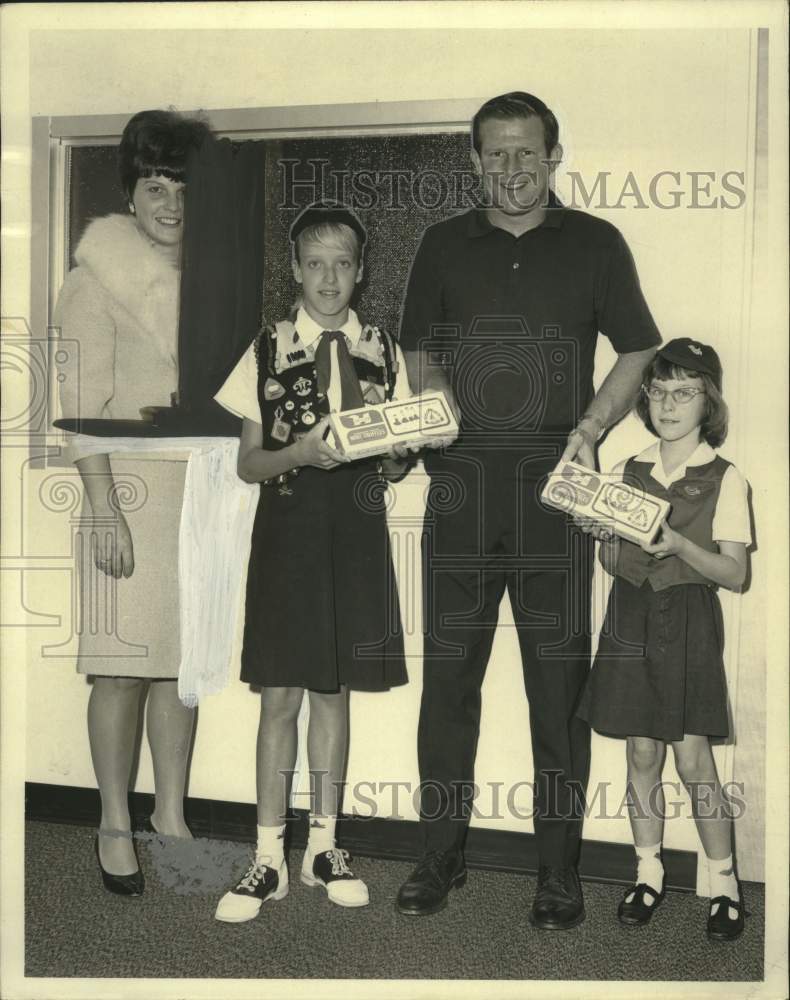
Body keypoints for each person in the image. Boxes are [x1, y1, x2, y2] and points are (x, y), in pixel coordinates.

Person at [396, 91, 661, 929]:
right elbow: (418, 346)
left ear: (553, 155)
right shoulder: (442, 244)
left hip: (555, 494)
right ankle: (440, 858)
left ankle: (558, 873)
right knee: (449, 688)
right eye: (495, 154)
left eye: (526, 153)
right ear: (475, 159)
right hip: (462, 491)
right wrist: (432, 405)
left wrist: (590, 429)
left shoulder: (596, 242)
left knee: (558, 690)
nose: (511, 169)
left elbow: (641, 347)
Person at [213, 201, 410, 922]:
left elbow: (393, 466)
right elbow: (247, 464)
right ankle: (267, 856)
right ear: (295, 269)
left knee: (335, 693)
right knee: (282, 697)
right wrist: (297, 451)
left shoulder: (383, 349)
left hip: (354, 537)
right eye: (315, 263)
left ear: (360, 273)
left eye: (343, 264)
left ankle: (323, 846)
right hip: (290, 537)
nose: (329, 277)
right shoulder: (264, 349)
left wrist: (397, 457)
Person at [55, 109, 211, 894]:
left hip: (197, 495)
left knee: (179, 668)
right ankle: (115, 820)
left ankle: (171, 815)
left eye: (183, 183)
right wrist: (104, 508)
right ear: (132, 190)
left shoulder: (214, 279)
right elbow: (77, 405)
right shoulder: (92, 281)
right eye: (157, 184)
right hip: (122, 492)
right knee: (119, 669)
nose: (171, 201)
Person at [576, 338, 750, 942]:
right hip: (630, 617)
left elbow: (736, 573)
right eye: (658, 390)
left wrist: (680, 545)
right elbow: (613, 563)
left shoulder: (726, 477)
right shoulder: (629, 470)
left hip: (688, 621)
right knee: (641, 754)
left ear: (709, 402)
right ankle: (647, 873)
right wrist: (600, 532)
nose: (669, 403)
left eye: (685, 391)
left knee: (693, 759)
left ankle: (723, 881)